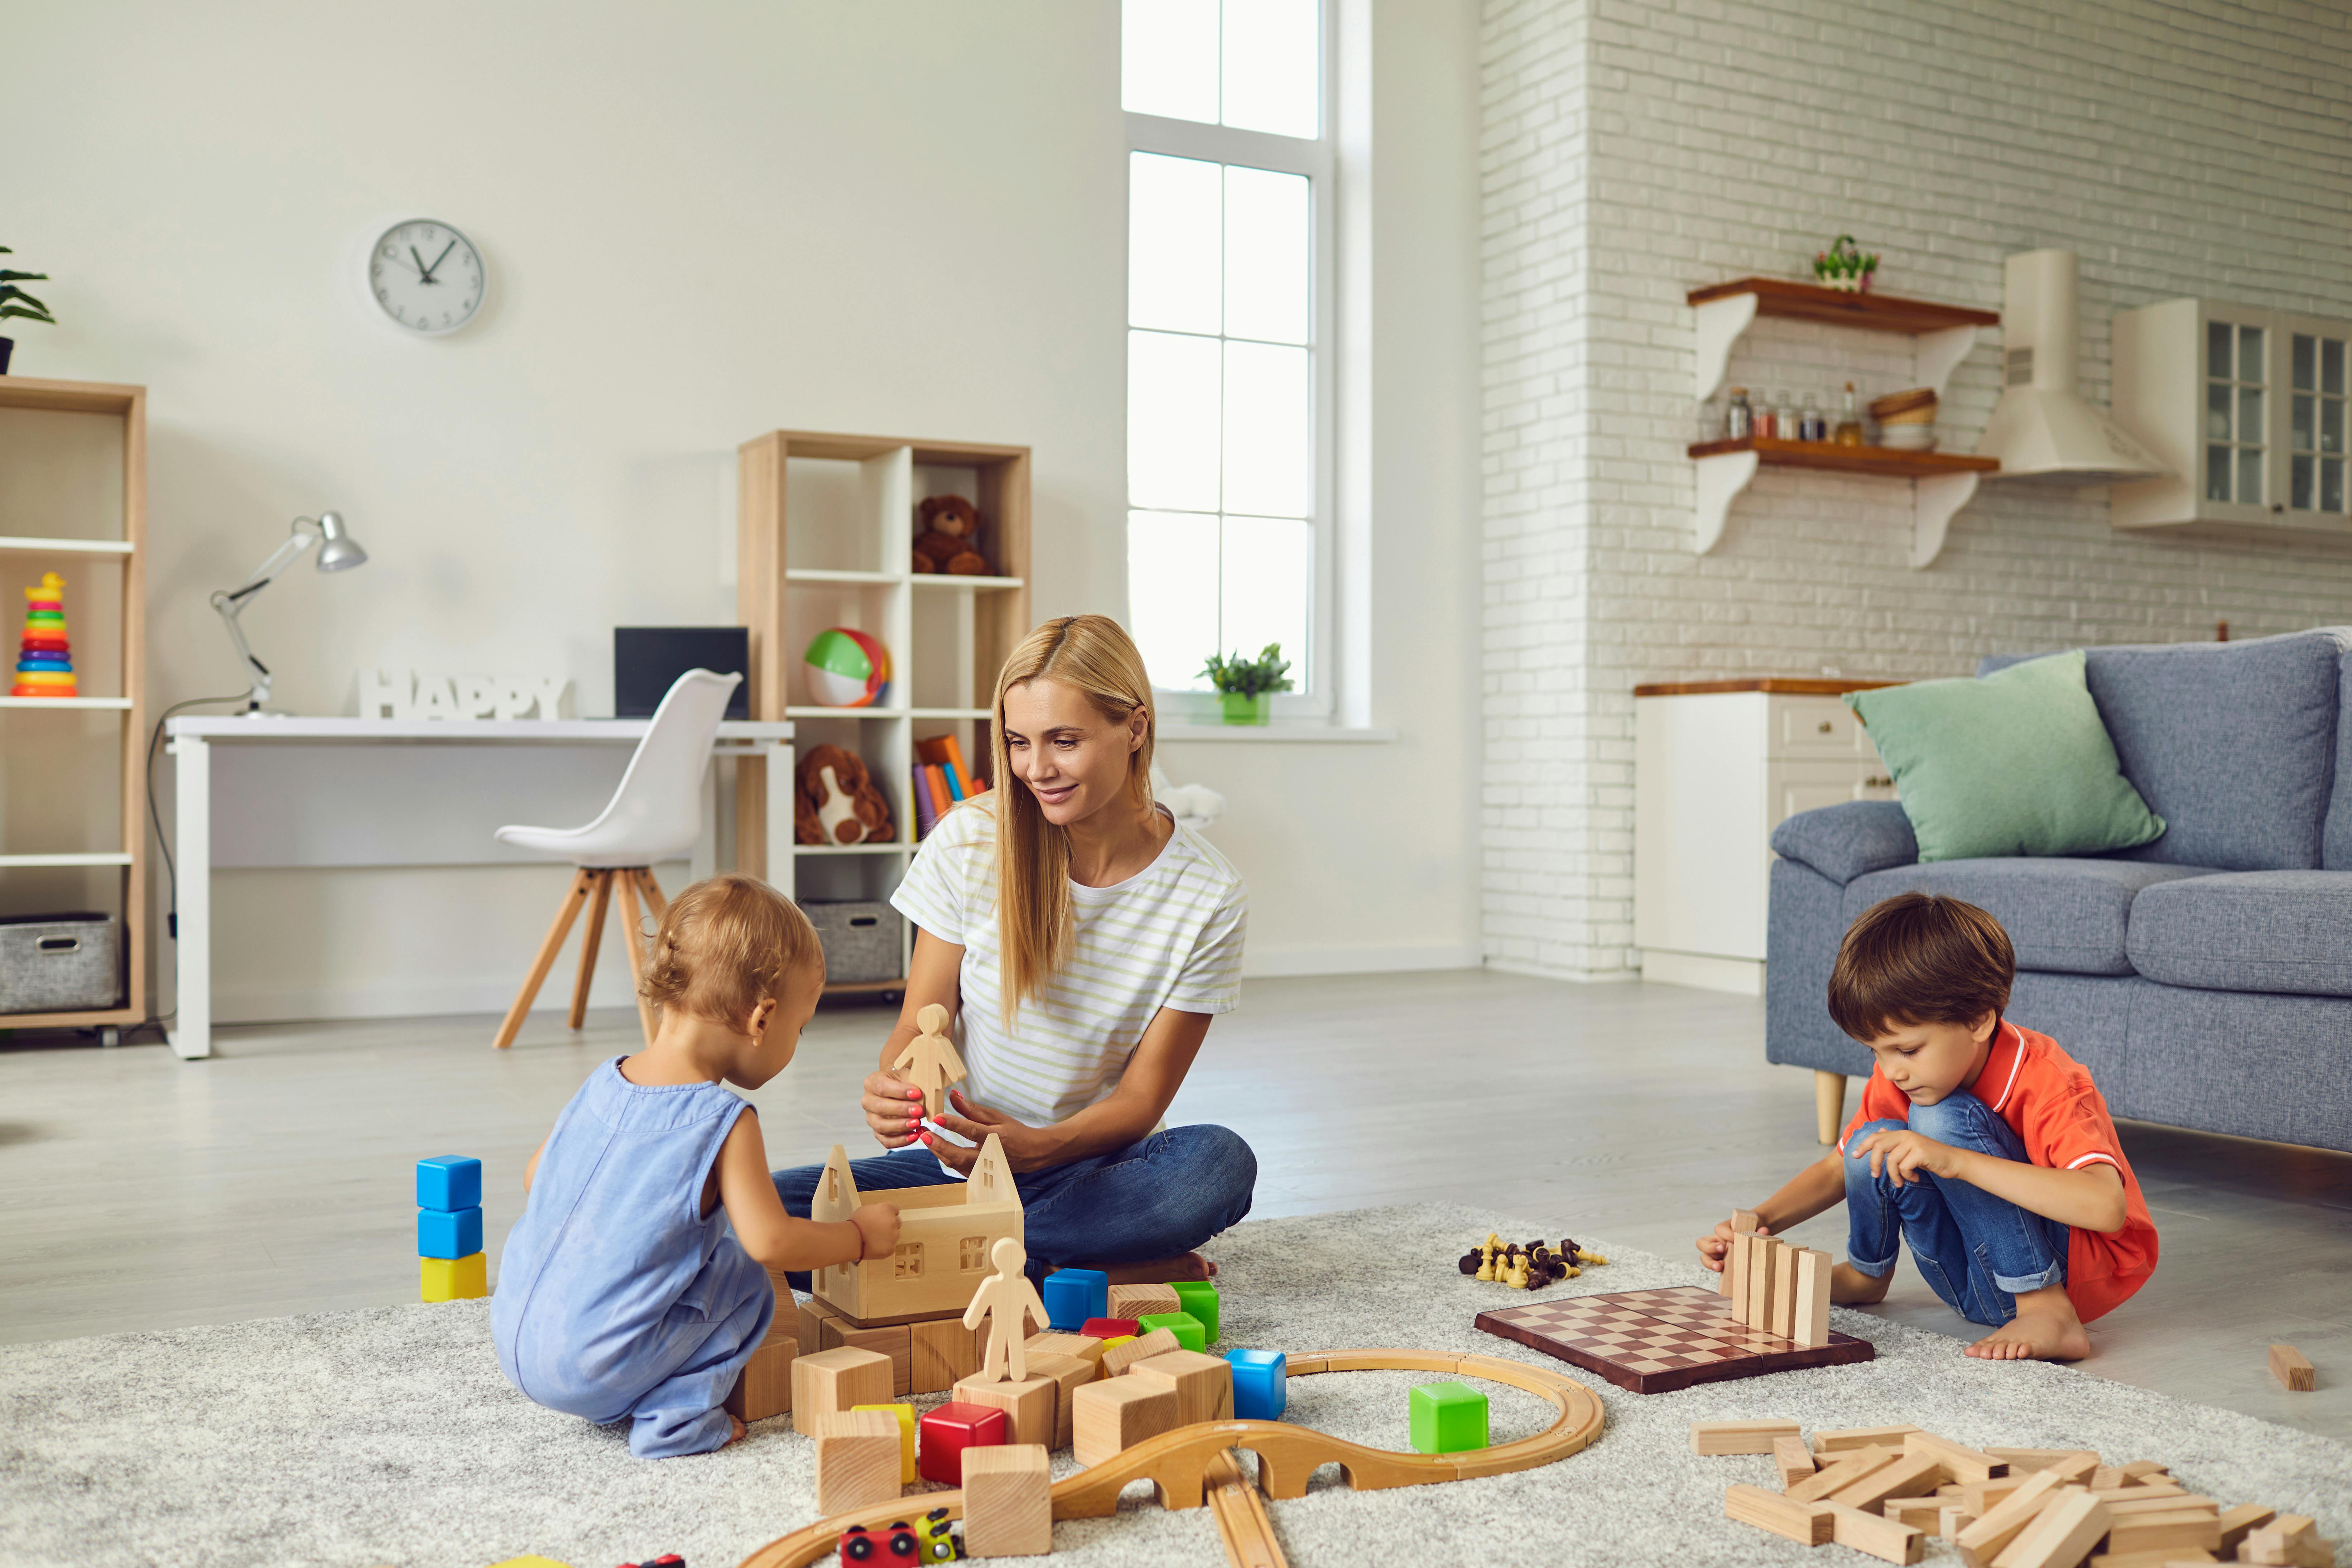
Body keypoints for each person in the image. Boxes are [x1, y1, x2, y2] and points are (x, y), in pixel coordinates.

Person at [772, 614, 1257, 1286]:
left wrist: (1040, 1148)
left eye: (1065, 740)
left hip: (1094, 1170)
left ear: (1135, 728)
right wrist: (897, 1086)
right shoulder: (970, 839)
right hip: (959, 1165)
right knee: (755, 1212)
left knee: (1219, 1166)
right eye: (1018, 742)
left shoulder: (1209, 894)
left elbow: (1143, 1099)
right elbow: (920, 1024)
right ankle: (1072, 1262)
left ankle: (980, 1255)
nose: (1037, 768)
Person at [492, 876, 902, 1457]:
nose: (797, 1039)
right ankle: (677, 1420)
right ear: (762, 1018)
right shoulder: (724, 1118)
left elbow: (538, 1177)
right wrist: (858, 1237)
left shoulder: (603, 1080)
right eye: (800, 1027)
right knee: (746, 1281)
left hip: (514, 1337)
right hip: (593, 1369)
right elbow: (772, 1241)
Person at [1696, 893, 2157, 1361]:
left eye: (1908, 1049)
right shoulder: (1910, 1076)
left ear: (1979, 1020)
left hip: (2066, 1278)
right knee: (1868, 1141)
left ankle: (2046, 1308)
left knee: (1938, 1122)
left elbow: (2106, 1207)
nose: (1891, 1070)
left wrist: (1955, 1160)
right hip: (1970, 1283)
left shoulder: (2047, 1080)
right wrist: (1758, 1223)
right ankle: (1866, 1274)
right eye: (1876, 1051)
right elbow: (1840, 1166)